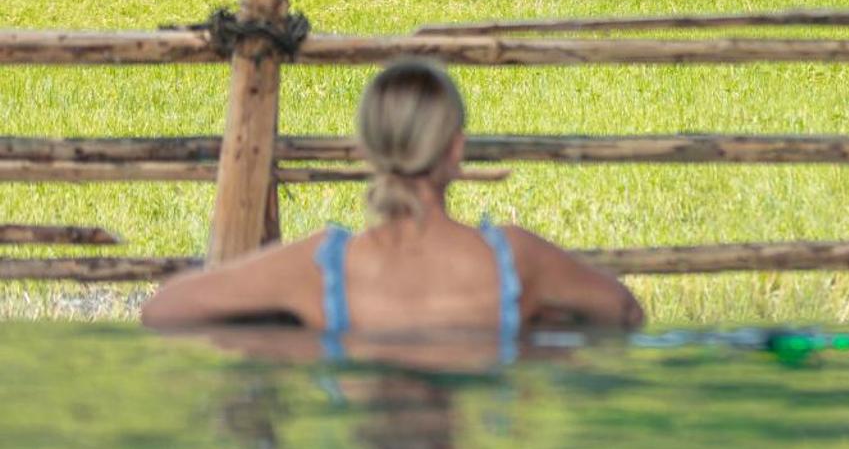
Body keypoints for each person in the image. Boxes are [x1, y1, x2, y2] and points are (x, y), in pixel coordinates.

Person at [143, 59, 643, 335]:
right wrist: (533, 343)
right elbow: (624, 313)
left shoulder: (321, 268)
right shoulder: (515, 262)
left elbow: (164, 310)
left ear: (368, 150)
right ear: (456, 149)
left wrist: (294, 349)